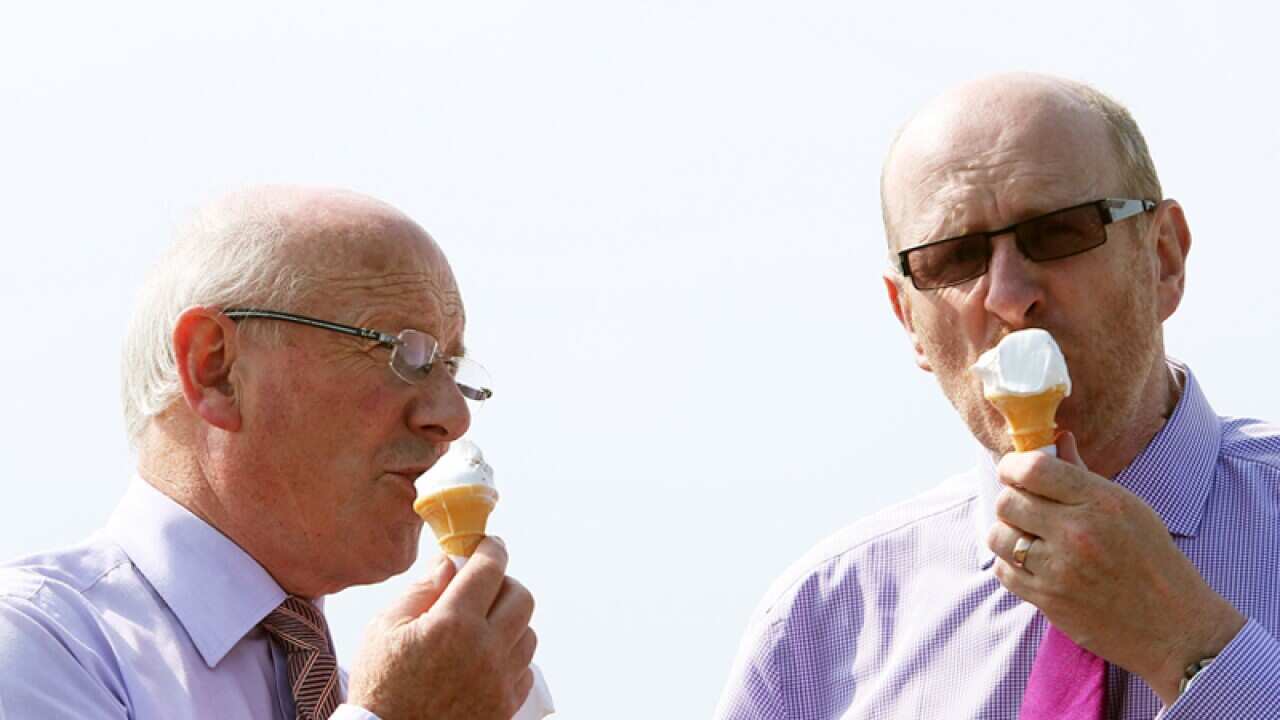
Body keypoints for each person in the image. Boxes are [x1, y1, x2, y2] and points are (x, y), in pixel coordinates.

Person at [715, 73, 1280, 719]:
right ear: (909, 320)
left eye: (1059, 232)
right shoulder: (819, 630)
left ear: (1164, 258)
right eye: (953, 258)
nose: (1010, 296)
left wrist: (1187, 644)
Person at [0, 187, 538, 719]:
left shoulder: (363, 694)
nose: (452, 415)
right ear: (216, 369)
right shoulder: (39, 645)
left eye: (450, 367)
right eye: (402, 353)